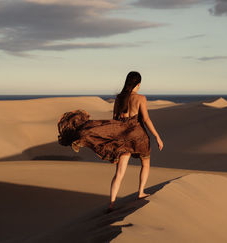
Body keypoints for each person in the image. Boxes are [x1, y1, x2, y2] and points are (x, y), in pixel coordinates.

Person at [57, 71, 164, 212]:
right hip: (139, 136)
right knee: (145, 163)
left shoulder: (119, 98)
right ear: (138, 84)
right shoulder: (141, 98)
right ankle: (141, 192)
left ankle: (112, 203)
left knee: (119, 173)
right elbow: (145, 119)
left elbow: (115, 118)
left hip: (123, 136)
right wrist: (157, 136)